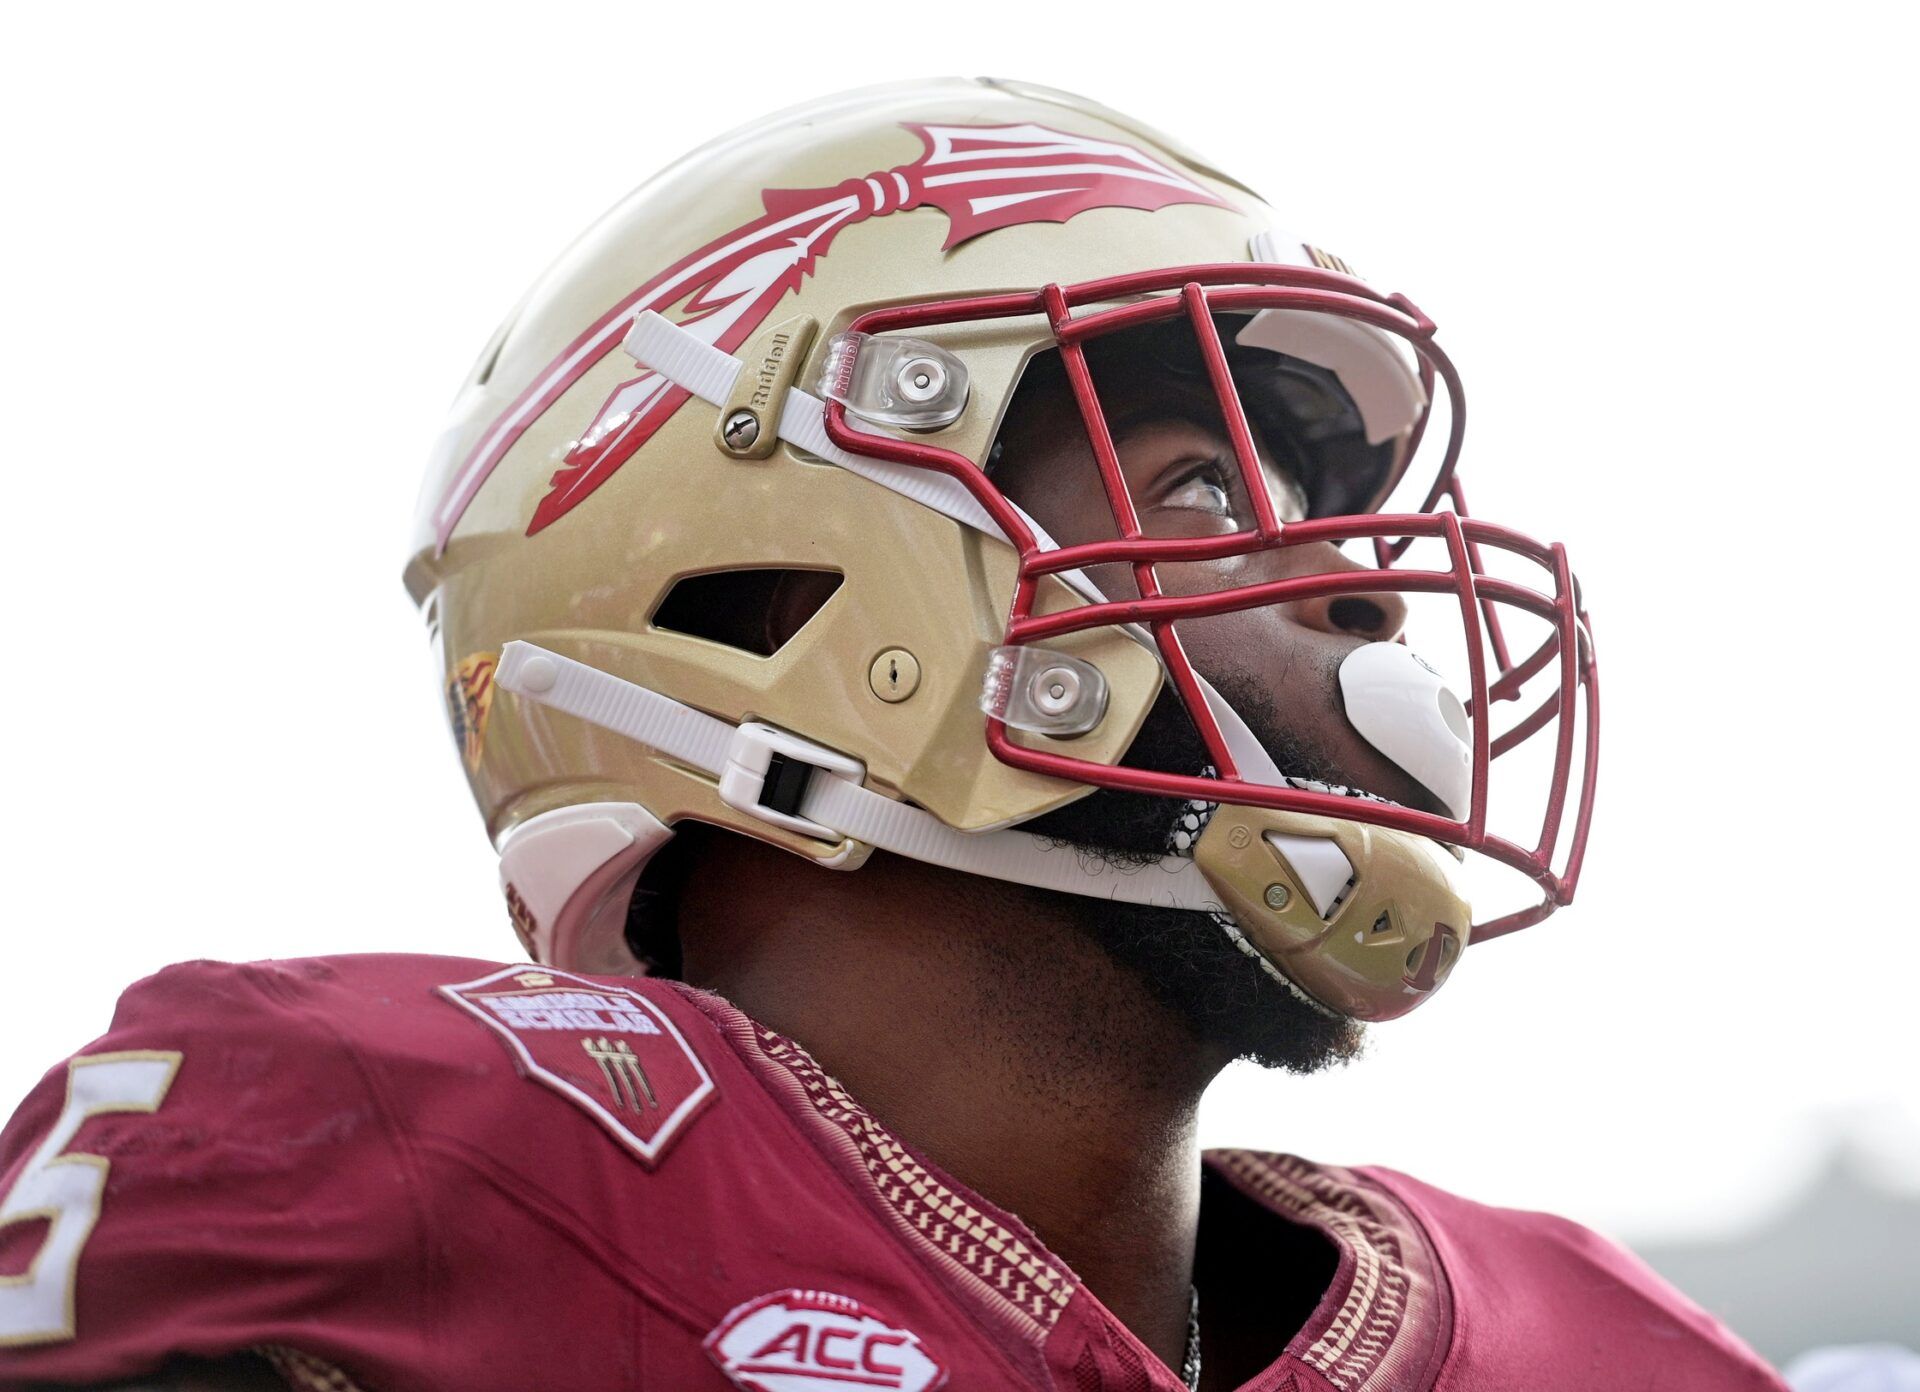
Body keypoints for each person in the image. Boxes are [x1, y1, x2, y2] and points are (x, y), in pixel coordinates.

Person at [0, 79, 1783, 1391]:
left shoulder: (1610, 1348)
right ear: (781, 602)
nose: (1371, 594)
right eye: (1197, 488)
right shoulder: (375, 1154)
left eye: (1332, 512)